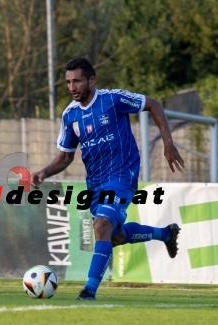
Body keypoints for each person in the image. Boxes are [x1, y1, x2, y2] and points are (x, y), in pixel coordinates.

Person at [30, 58, 185, 301]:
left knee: (101, 225)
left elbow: (153, 104)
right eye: (68, 82)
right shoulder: (70, 116)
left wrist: (168, 143)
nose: (72, 87)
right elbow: (65, 157)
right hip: (96, 183)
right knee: (114, 236)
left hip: (123, 175)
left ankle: (88, 291)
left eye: (77, 81)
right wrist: (43, 172)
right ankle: (166, 234)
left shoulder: (113, 100)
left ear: (91, 80)